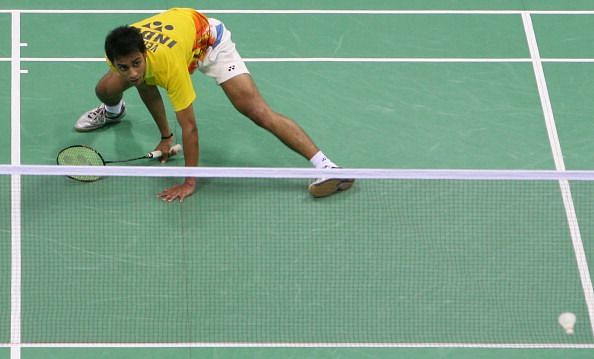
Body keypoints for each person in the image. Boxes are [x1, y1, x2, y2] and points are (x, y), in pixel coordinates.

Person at [75, 8, 353, 202]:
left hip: (210, 41)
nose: (132, 72)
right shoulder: (119, 57)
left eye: (136, 63)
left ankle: (327, 167)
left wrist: (189, 181)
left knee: (255, 110)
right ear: (114, 60)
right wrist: (165, 139)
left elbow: (190, 127)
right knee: (105, 88)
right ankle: (114, 112)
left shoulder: (168, 66)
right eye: (124, 67)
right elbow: (146, 86)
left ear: (144, 53)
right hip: (181, 29)